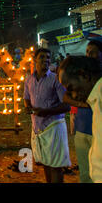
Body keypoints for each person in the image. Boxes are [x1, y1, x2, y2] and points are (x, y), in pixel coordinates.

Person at [24, 48, 71, 183]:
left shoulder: (56, 79)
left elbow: (66, 105)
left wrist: (46, 111)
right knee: (45, 162)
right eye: (42, 57)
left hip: (54, 126)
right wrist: (28, 107)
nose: (46, 60)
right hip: (38, 128)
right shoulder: (29, 80)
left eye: (48, 57)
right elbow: (26, 98)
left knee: (55, 166)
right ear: (35, 60)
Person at [63, 40, 102, 182]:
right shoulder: (87, 91)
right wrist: (82, 104)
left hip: (94, 132)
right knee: (86, 173)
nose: (89, 55)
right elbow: (65, 98)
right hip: (82, 128)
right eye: (87, 52)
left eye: (93, 51)